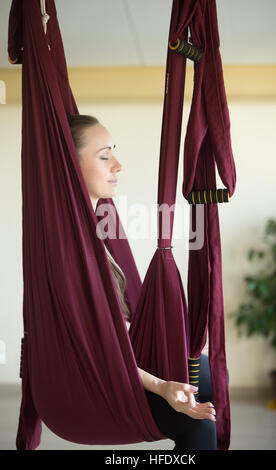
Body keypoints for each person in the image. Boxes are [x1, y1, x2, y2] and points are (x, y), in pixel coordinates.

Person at [67, 113, 217, 450]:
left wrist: (178, 341)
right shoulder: (69, 248)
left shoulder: (99, 228)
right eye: (104, 156)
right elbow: (97, 347)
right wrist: (162, 386)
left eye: (113, 153)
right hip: (103, 380)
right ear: (70, 165)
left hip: (128, 357)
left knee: (209, 375)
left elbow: (124, 322)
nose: (117, 165)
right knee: (199, 428)